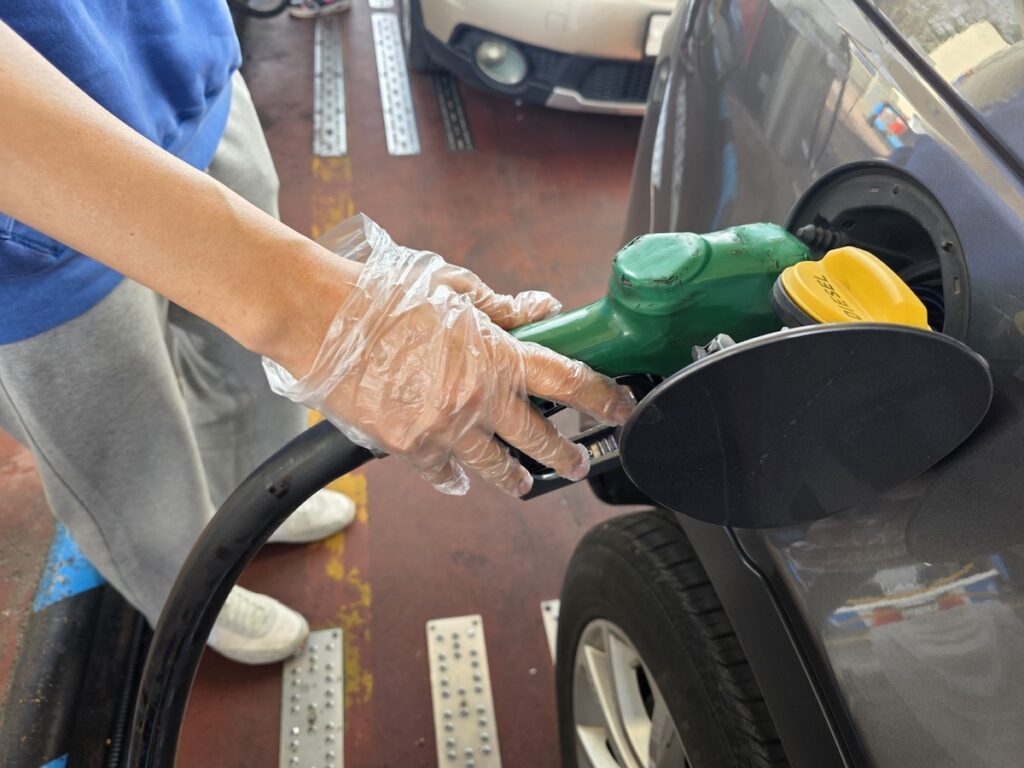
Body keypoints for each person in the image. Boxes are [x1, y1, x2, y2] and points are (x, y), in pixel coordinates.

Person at [0, 7, 633, 665]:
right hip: (29, 208)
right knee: (127, 447)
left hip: (175, 67)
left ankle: (253, 496)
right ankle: (182, 588)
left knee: (243, 371)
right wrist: (328, 313)